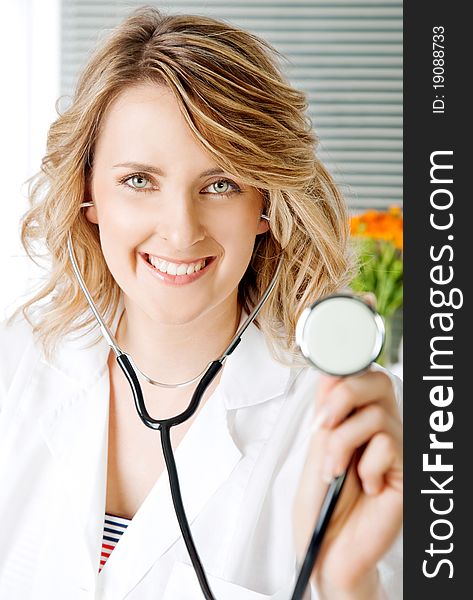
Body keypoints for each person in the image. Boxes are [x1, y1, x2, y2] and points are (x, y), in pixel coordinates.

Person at [0, 7, 402, 599]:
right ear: (89, 197)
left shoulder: (356, 427)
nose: (180, 230)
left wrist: (346, 583)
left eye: (220, 185)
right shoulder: (14, 370)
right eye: (140, 180)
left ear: (265, 204)